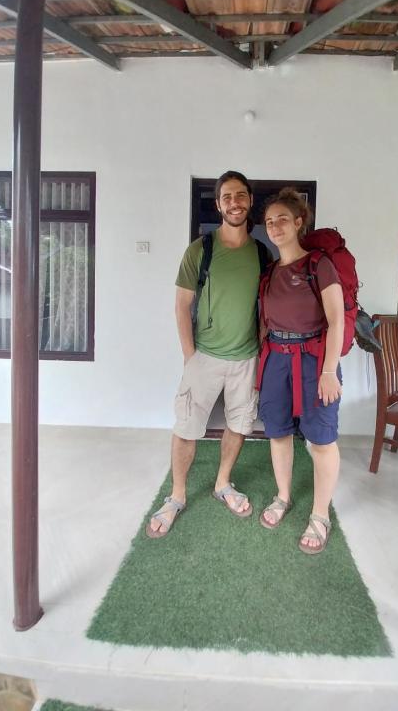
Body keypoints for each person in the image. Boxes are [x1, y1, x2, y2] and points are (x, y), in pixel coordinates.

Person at [146, 170, 267, 538]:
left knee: (239, 424)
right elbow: (182, 305)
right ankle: (177, 495)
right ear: (218, 204)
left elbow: (267, 305)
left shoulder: (262, 252)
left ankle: (223, 484)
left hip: (246, 359)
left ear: (249, 201)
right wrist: (190, 356)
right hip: (205, 358)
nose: (235, 202)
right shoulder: (200, 250)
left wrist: (260, 346)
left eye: (241, 195)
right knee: (186, 428)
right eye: (227, 196)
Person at [256, 188, 344, 554]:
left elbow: (337, 320)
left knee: (321, 439)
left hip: (314, 359)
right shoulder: (270, 271)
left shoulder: (319, 264)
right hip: (276, 357)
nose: (274, 227)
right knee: (277, 433)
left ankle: (320, 515)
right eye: (269, 222)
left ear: (298, 222)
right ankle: (283, 496)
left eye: (282, 219)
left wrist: (329, 371)